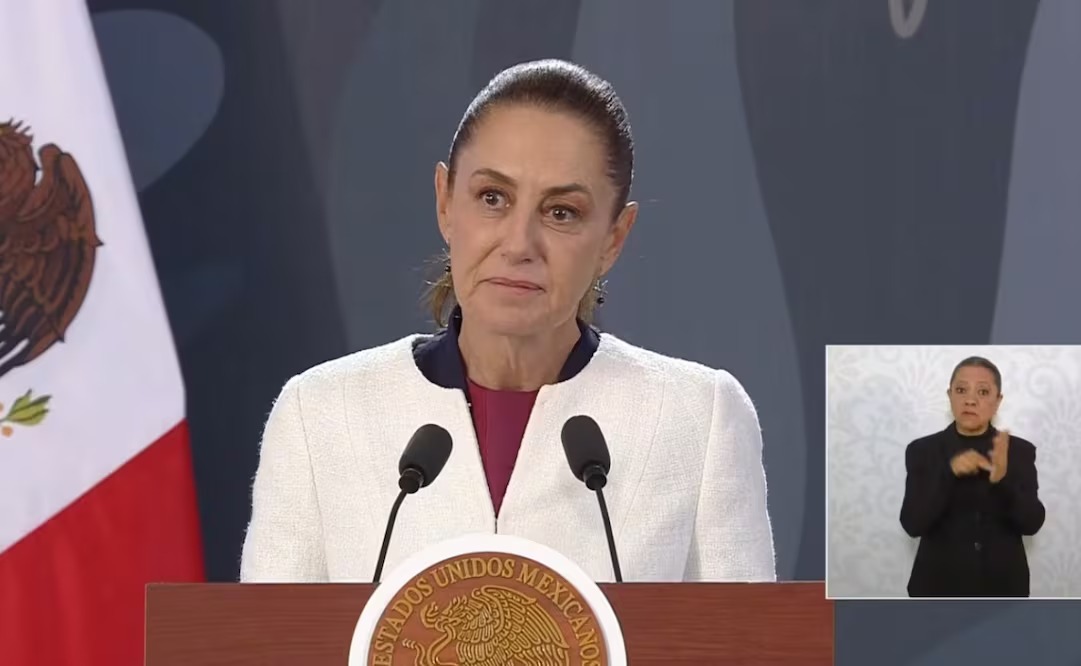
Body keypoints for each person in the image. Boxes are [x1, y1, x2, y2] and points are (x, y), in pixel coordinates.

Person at [239, 59, 776, 584]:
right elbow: (271, 632)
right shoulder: (319, 414)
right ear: (445, 203)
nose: (519, 244)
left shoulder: (698, 419)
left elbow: (747, 634)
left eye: (561, 212)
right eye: (492, 198)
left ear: (614, 239)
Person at [899, 356, 1045, 597]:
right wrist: (949, 473)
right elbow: (912, 524)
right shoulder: (922, 450)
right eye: (961, 390)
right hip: (937, 589)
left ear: (998, 401)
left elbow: (1032, 524)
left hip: (1004, 590)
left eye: (983, 392)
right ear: (950, 395)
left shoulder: (1019, 450)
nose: (970, 400)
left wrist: (1002, 481)